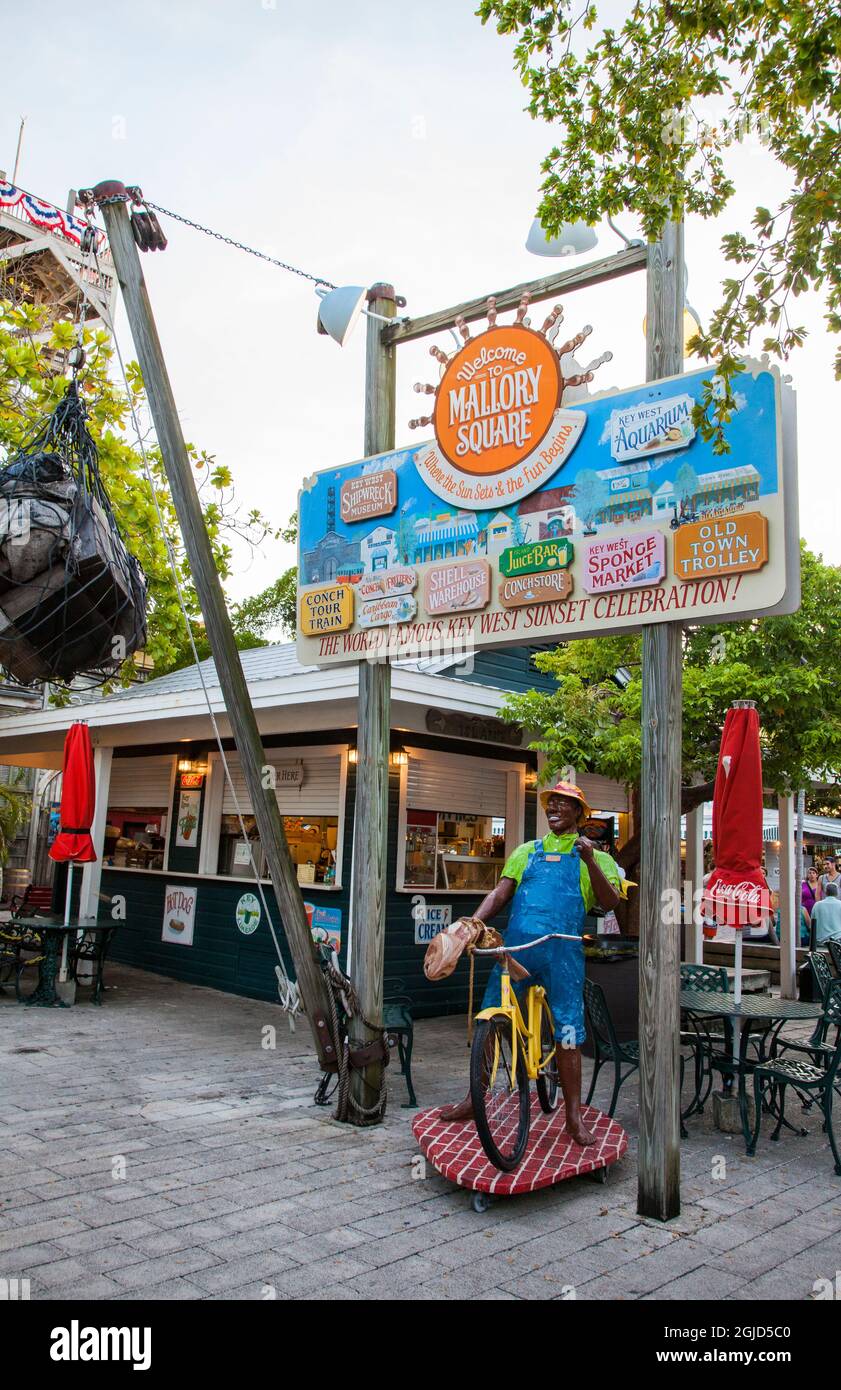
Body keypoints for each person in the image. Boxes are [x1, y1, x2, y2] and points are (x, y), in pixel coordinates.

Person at [437, 781, 622, 1146]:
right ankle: (476, 1098)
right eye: (550, 803)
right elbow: (500, 893)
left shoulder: (596, 857)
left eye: (562, 804)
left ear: (579, 813)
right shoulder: (525, 852)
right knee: (490, 1015)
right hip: (517, 950)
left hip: (562, 954)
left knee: (568, 1031)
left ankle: (572, 1116)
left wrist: (589, 859)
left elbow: (611, 901)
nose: (553, 808)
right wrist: (472, 925)